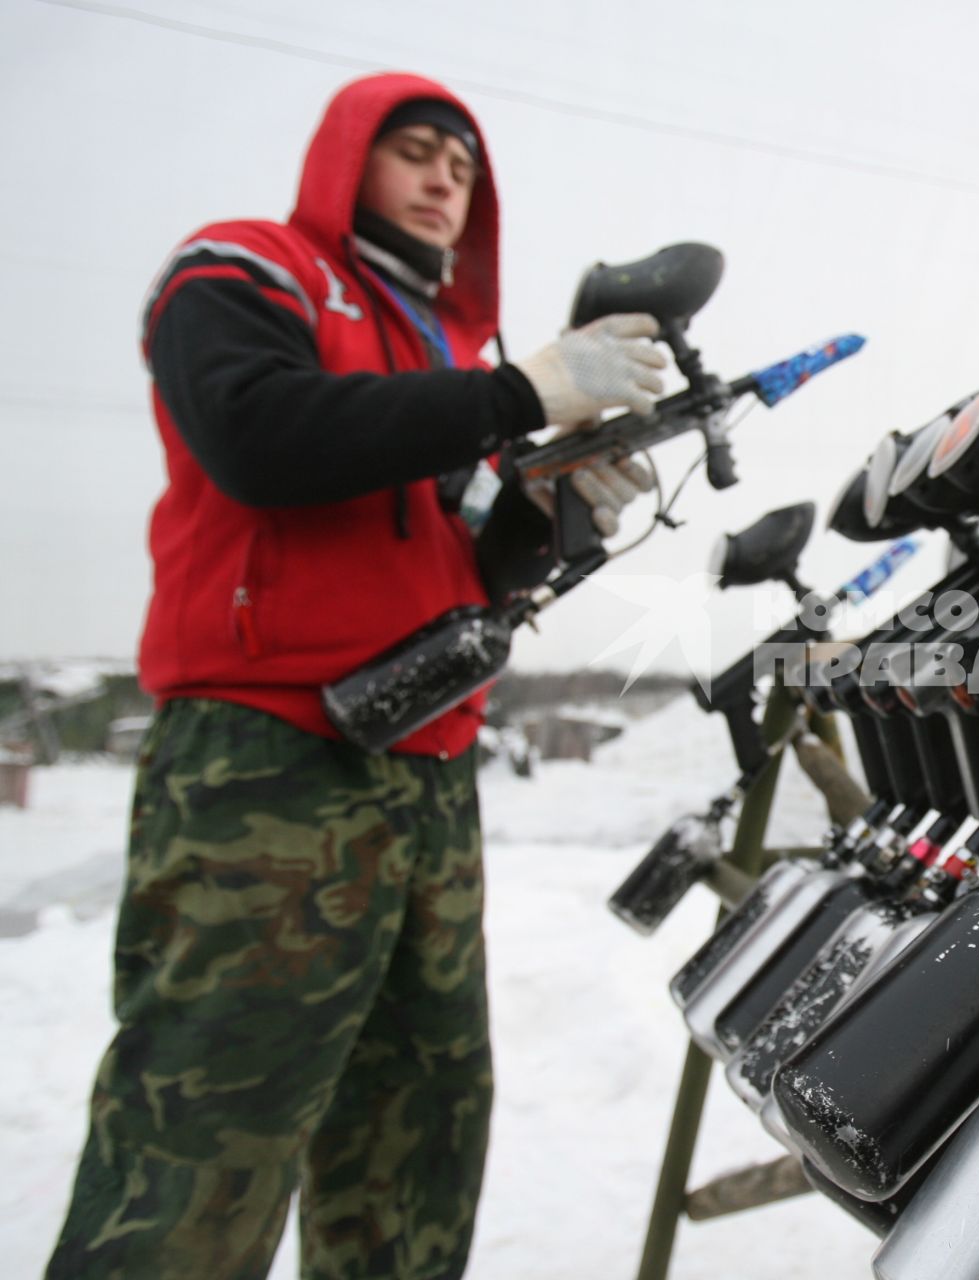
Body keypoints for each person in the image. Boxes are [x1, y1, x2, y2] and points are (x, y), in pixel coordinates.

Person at [46, 72, 667, 1279]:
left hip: (428, 772)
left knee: (417, 1134)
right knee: (207, 1136)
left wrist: (551, 504)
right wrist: (518, 394)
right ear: (347, 158)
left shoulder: (452, 351)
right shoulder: (245, 267)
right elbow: (259, 437)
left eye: (465, 167)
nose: (446, 180)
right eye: (418, 152)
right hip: (267, 767)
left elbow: (463, 549)